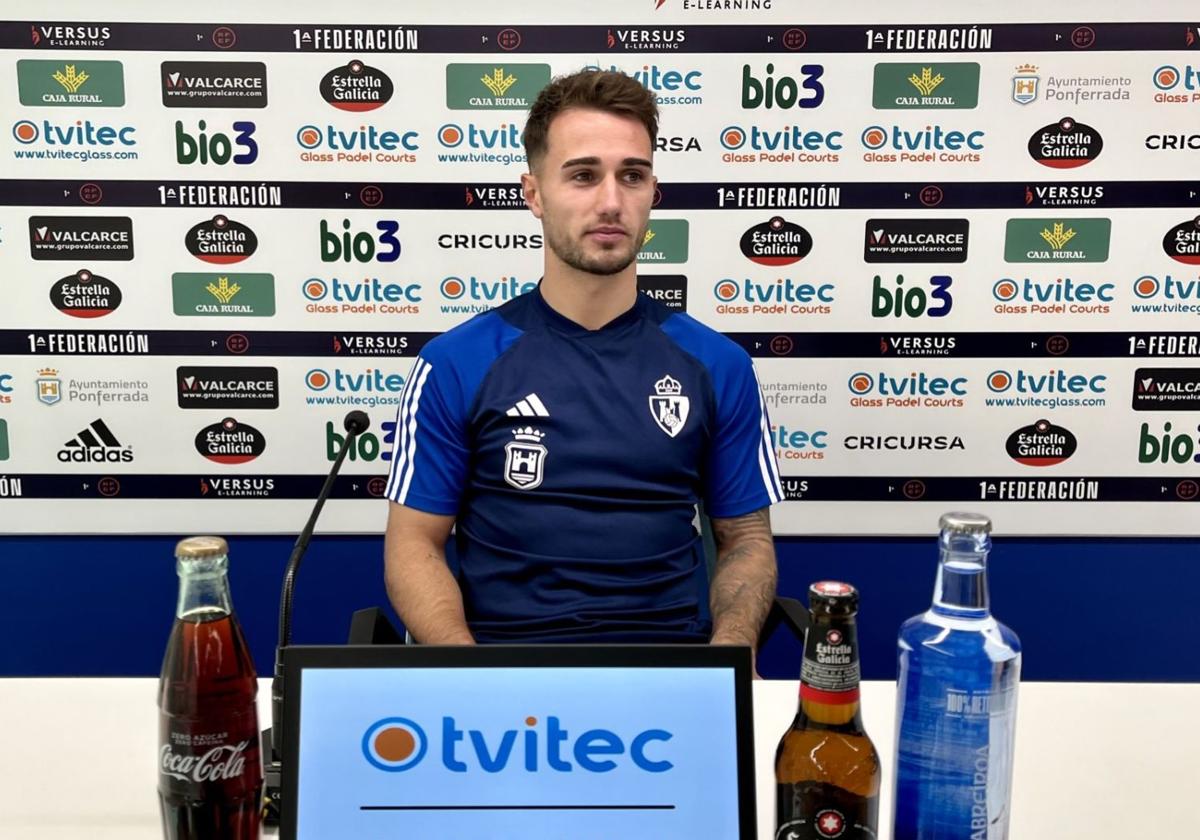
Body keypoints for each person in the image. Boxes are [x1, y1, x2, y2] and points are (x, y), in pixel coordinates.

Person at [383, 69, 782, 650]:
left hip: (668, 666)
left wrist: (731, 656)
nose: (612, 202)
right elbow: (414, 543)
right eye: (583, 176)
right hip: (501, 665)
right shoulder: (456, 363)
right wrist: (461, 670)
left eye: (633, 176)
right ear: (534, 194)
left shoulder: (717, 364)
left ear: (653, 192)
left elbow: (745, 536)